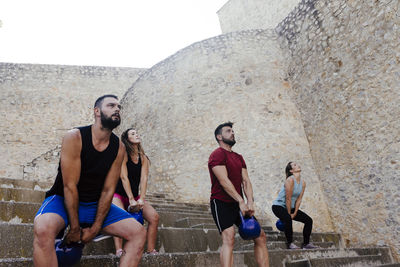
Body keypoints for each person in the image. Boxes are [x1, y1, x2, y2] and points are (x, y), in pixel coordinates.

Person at [33, 95, 146, 267]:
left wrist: (95, 229)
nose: (117, 109)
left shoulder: (119, 147)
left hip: (94, 204)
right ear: (97, 111)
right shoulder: (75, 137)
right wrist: (76, 228)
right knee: (42, 228)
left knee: (138, 233)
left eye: (119, 107)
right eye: (111, 105)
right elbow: (69, 186)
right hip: (63, 200)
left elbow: (108, 190)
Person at [208, 122, 269, 267]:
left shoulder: (238, 157)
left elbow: (246, 181)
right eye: (228, 131)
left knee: (260, 236)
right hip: (221, 202)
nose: (232, 133)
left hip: (239, 203)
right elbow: (223, 180)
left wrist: (250, 202)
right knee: (229, 238)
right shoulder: (217, 154)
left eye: (233, 131)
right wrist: (241, 201)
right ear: (219, 136)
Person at [112, 128, 159, 256]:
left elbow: (144, 179)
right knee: (119, 215)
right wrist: (131, 199)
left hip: (135, 194)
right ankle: (119, 249)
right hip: (119, 194)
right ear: (127, 139)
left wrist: (141, 198)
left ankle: (150, 249)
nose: (137, 134)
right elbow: (123, 177)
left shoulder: (143, 158)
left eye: (137, 133)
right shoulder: (123, 154)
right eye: (133, 134)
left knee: (154, 217)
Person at [272, 162, 318, 249]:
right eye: (294, 165)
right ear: (291, 170)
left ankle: (306, 244)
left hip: (291, 207)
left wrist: (295, 212)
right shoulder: (290, 180)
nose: (298, 165)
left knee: (308, 220)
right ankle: (290, 243)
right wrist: (289, 213)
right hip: (278, 206)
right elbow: (288, 199)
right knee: (288, 218)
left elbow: (299, 199)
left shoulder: (303, 183)